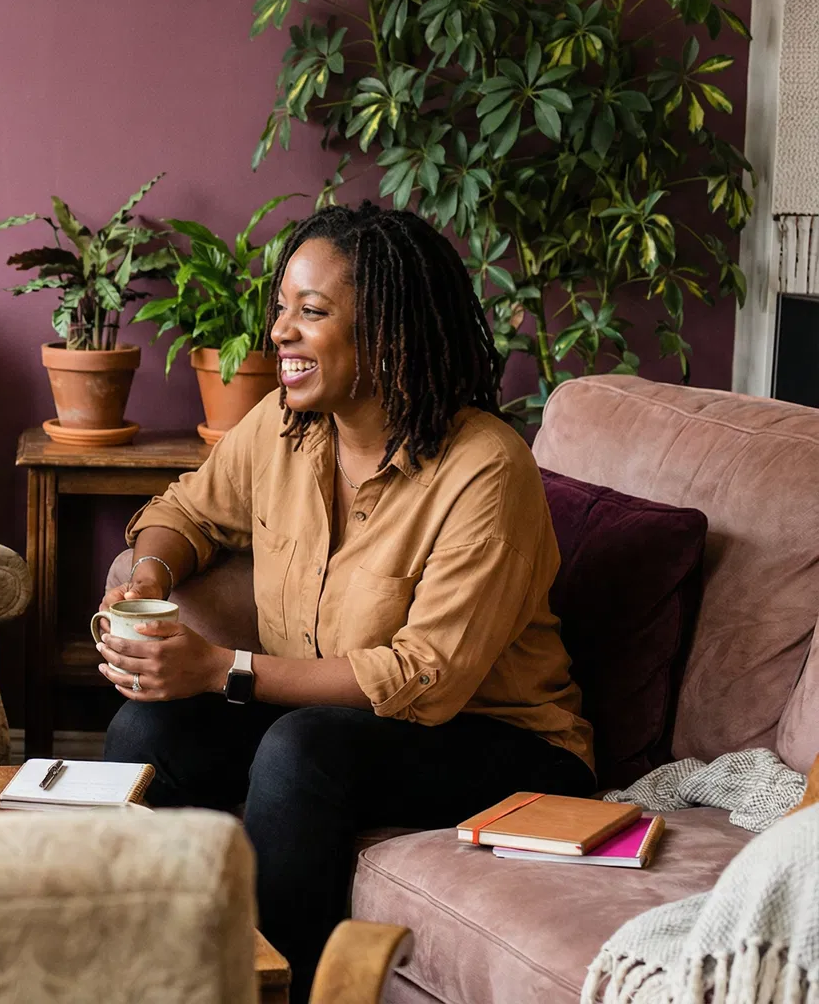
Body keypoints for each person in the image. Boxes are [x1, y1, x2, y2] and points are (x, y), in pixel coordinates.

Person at [97, 202, 596, 1002]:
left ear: (390, 334)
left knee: (301, 755)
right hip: (331, 712)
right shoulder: (287, 428)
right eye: (283, 309)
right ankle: (135, 973)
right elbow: (185, 512)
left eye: (313, 312)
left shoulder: (486, 470)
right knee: (146, 727)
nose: (280, 332)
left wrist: (222, 669)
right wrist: (150, 575)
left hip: (501, 739)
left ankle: (276, 990)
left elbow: (423, 677)